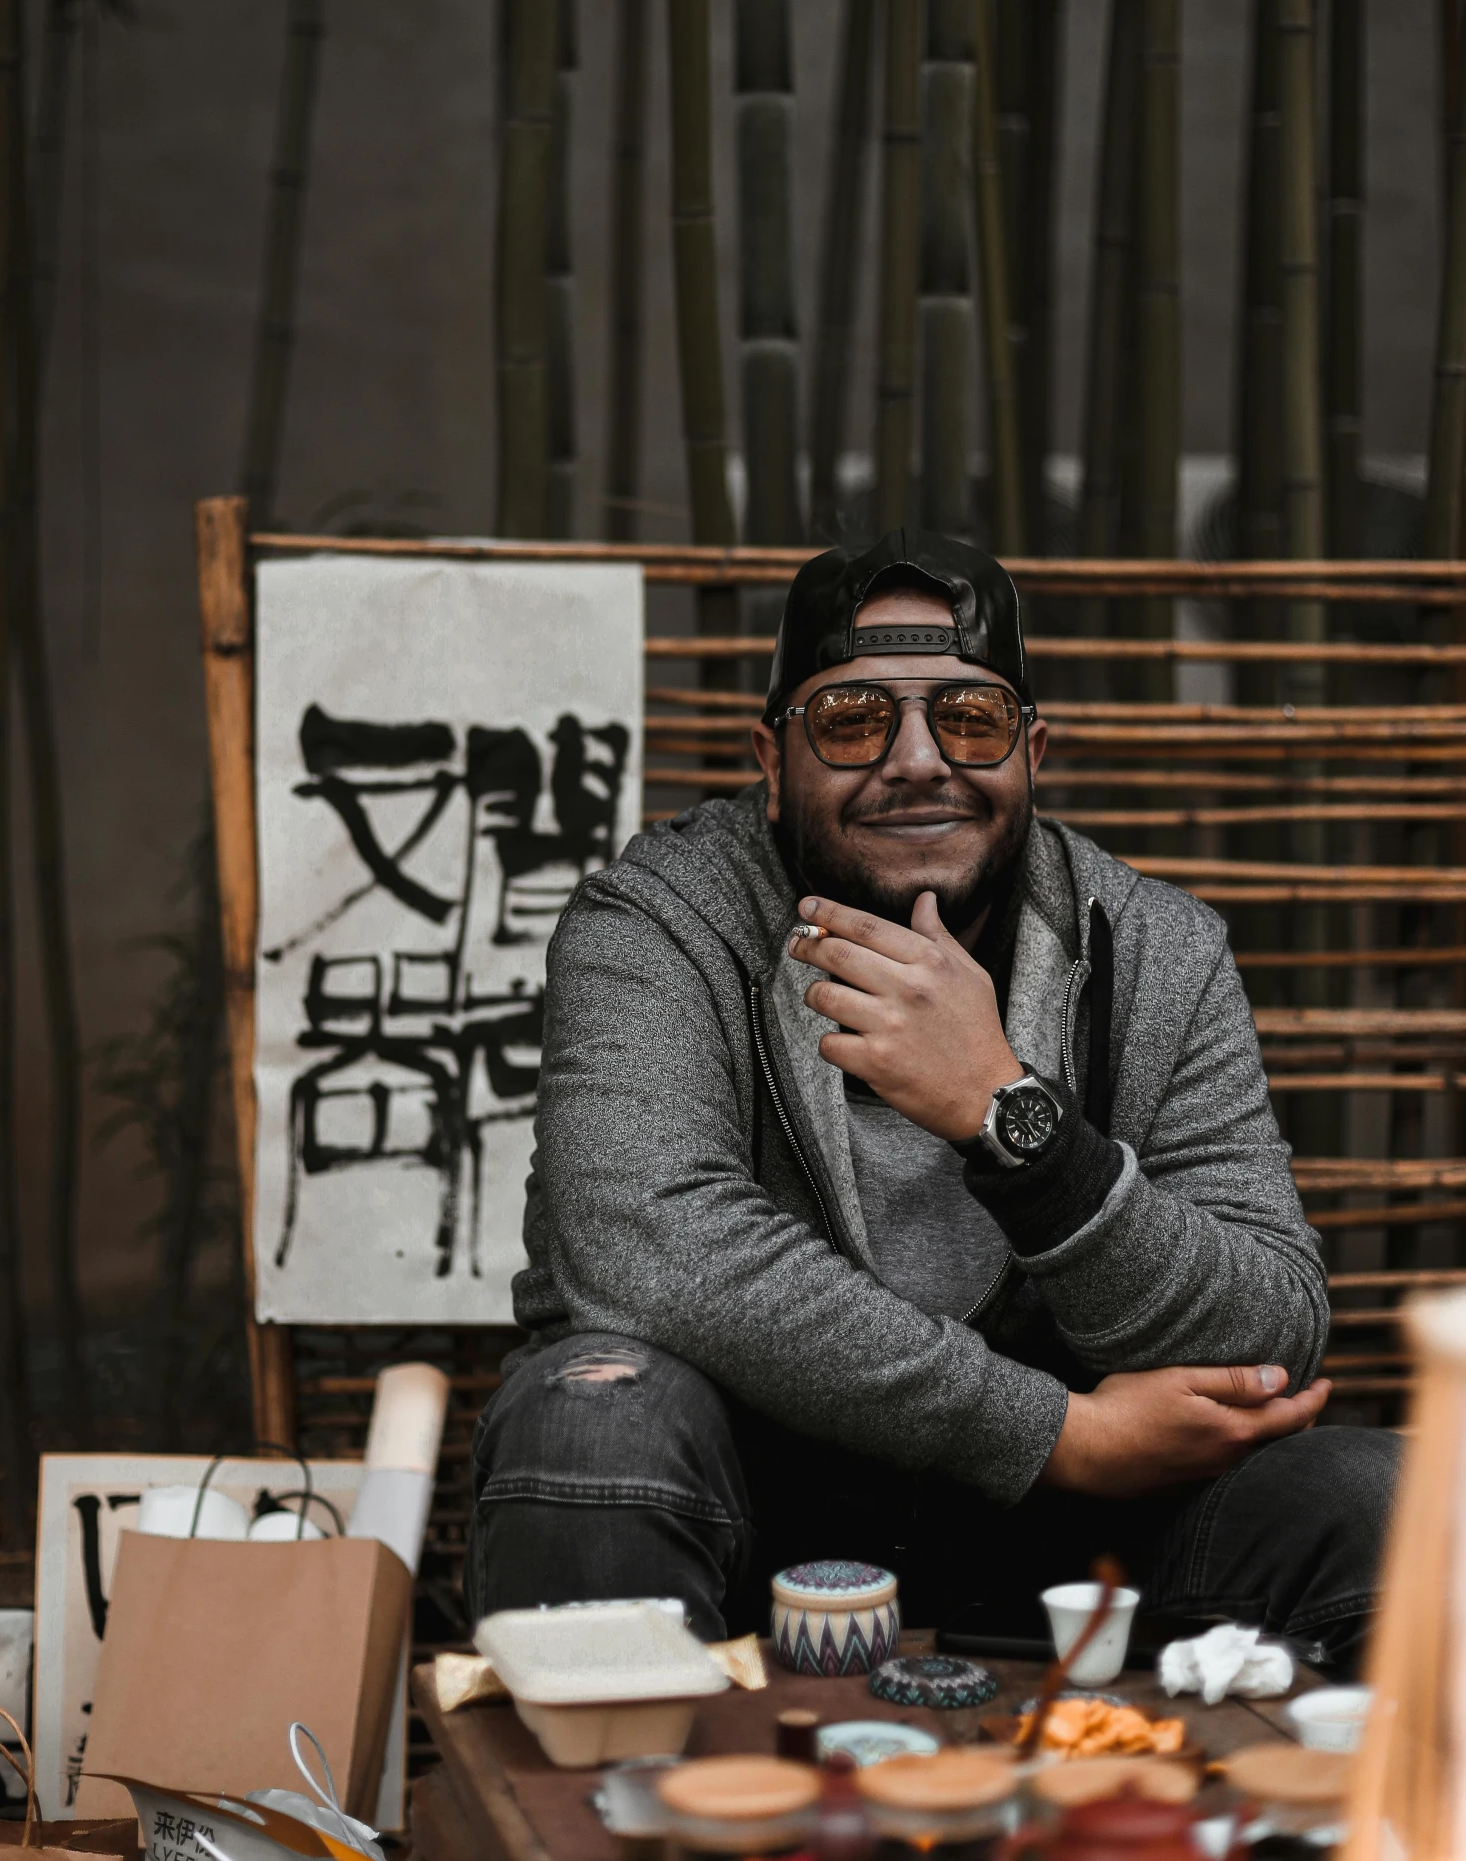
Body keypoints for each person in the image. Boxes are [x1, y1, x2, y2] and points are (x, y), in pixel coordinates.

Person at [466, 529, 1396, 1675]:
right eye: (854, 719)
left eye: (969, 719)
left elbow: (1270, 1325)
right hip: (750, 1517)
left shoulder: (1157, 949)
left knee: (1381, 1497)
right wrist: (1057, 1434)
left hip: (1070, 1560)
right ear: (770, 757)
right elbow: (650, 1246)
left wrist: (1010, 1114)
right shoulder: (657, 924)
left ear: (1032, 748)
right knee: (588, 1414)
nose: (917, 760)